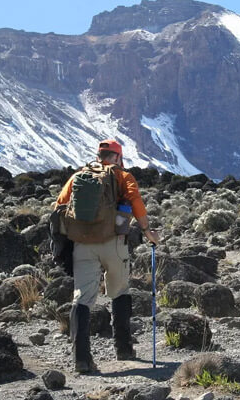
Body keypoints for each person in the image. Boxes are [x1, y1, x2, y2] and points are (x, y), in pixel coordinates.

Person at [54, 139, 160, 373]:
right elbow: (136, 202)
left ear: (99, 155)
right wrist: (147, 231)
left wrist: (64, 243)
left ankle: (81, 359)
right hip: (114, 242)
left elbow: (59, 206)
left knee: (81, 298)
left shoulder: (79, 176)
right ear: (118, 157)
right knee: (120, 291)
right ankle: (123, 348)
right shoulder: (123, 176)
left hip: (82, 245)